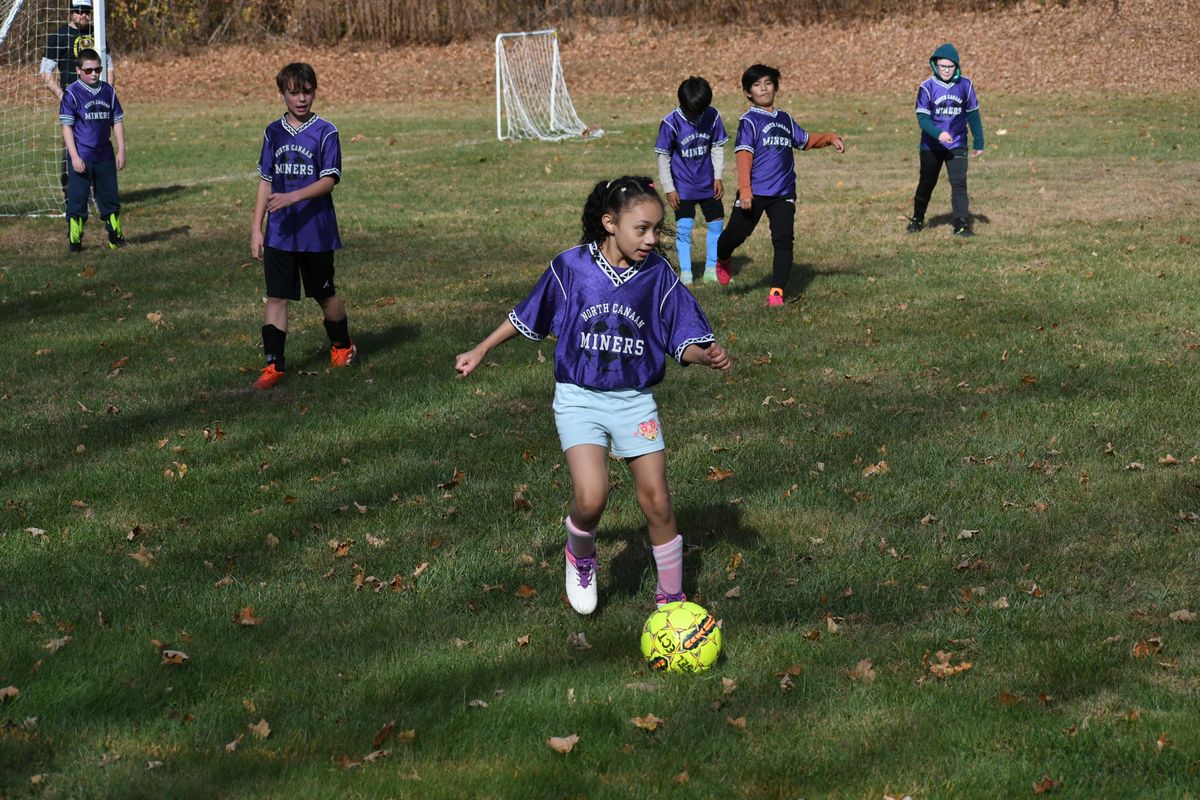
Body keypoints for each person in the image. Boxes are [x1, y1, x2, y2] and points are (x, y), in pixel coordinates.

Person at [455, 176, 731, 614]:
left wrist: (705, 356)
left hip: (634, 399)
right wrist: (481, 349)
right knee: (592, 496)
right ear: (609, 223)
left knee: (657, 500)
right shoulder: (571, 267)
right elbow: (528, 313)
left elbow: (681, 338)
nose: (651, 239)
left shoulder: (657, 274)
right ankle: (581, 555)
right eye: (641, 229)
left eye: (656, 229)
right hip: (579, 397)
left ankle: (672, 599)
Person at [250, 62, 356, 390]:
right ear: (282, 93)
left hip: (316, 231)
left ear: (314, 92)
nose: (301, 99)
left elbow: (329, 180)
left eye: (307, 91)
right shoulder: (273, 132)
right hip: (280, 232)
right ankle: (274, 365)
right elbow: (266, 182)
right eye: (294, 92)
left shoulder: (326, 131)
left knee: (324, 295)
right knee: (276, 297)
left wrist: (293, 197)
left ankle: (341, 346)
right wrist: (257, 227)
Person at [713, 64, 844, 307]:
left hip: (783, 192)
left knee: (783, 240)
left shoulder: (784, 119)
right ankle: (723, 258)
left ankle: (776, 292)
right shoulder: (749, 121)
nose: (763, 88)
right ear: (747, 92)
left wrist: (829, 138)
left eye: (768, 83)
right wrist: (745, 190)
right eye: (756, 85)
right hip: (754, 192)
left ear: (776, 87)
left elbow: (804, 141)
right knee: (733, 236)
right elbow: (743, 156)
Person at [654, 76, 727, 285]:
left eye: (700, 110)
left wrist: (718, 176)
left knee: (716, 224)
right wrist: (669, 188)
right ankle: (686, 273)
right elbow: (663, 156)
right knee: (684, 227)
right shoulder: (671, 122)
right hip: (682, 187)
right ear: (682, 104)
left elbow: (717, 146)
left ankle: (711, 270)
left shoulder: (712, 116)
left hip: (708, 183)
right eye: (692, 111)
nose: (697, 115)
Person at [906, 43, 985, 237]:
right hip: (931, 145)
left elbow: (973, 114)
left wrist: (979, 141)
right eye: (942, 66)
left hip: (957, 143)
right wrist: (938, 133)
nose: (946, 70)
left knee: (959, 183)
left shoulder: (965, 85)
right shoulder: (927, 87)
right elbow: (922, 119)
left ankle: (961, 224)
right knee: (927, 182)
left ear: (956, 66)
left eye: (950, 66)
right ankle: (917, 218)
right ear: (935, 66)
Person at [41, 0, 110, 198]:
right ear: (71, 12)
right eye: (79, 11)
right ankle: (72, 193)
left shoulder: (98, 34)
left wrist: (108, 92)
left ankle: (99, 193)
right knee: (71, 145)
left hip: (97, 101)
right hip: (73, 103)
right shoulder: (59, 37)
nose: (83, 15)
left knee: (98, 142)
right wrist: (63, 97)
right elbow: (45, 72)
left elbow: (109, 65)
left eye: (87, 11)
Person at [60, 48, 125, 252]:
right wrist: (74, 156)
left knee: (110, 198)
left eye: (98, 69)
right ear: (78, 70)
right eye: (89, 70)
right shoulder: (72, 93)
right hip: (82, 157)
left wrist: (121, 149)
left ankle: (115, 234)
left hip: (105, 155)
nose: (94, 73)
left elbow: (117, 120)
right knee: (77, 199)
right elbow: (67, 127)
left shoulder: (108, 91)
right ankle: (75, 237)